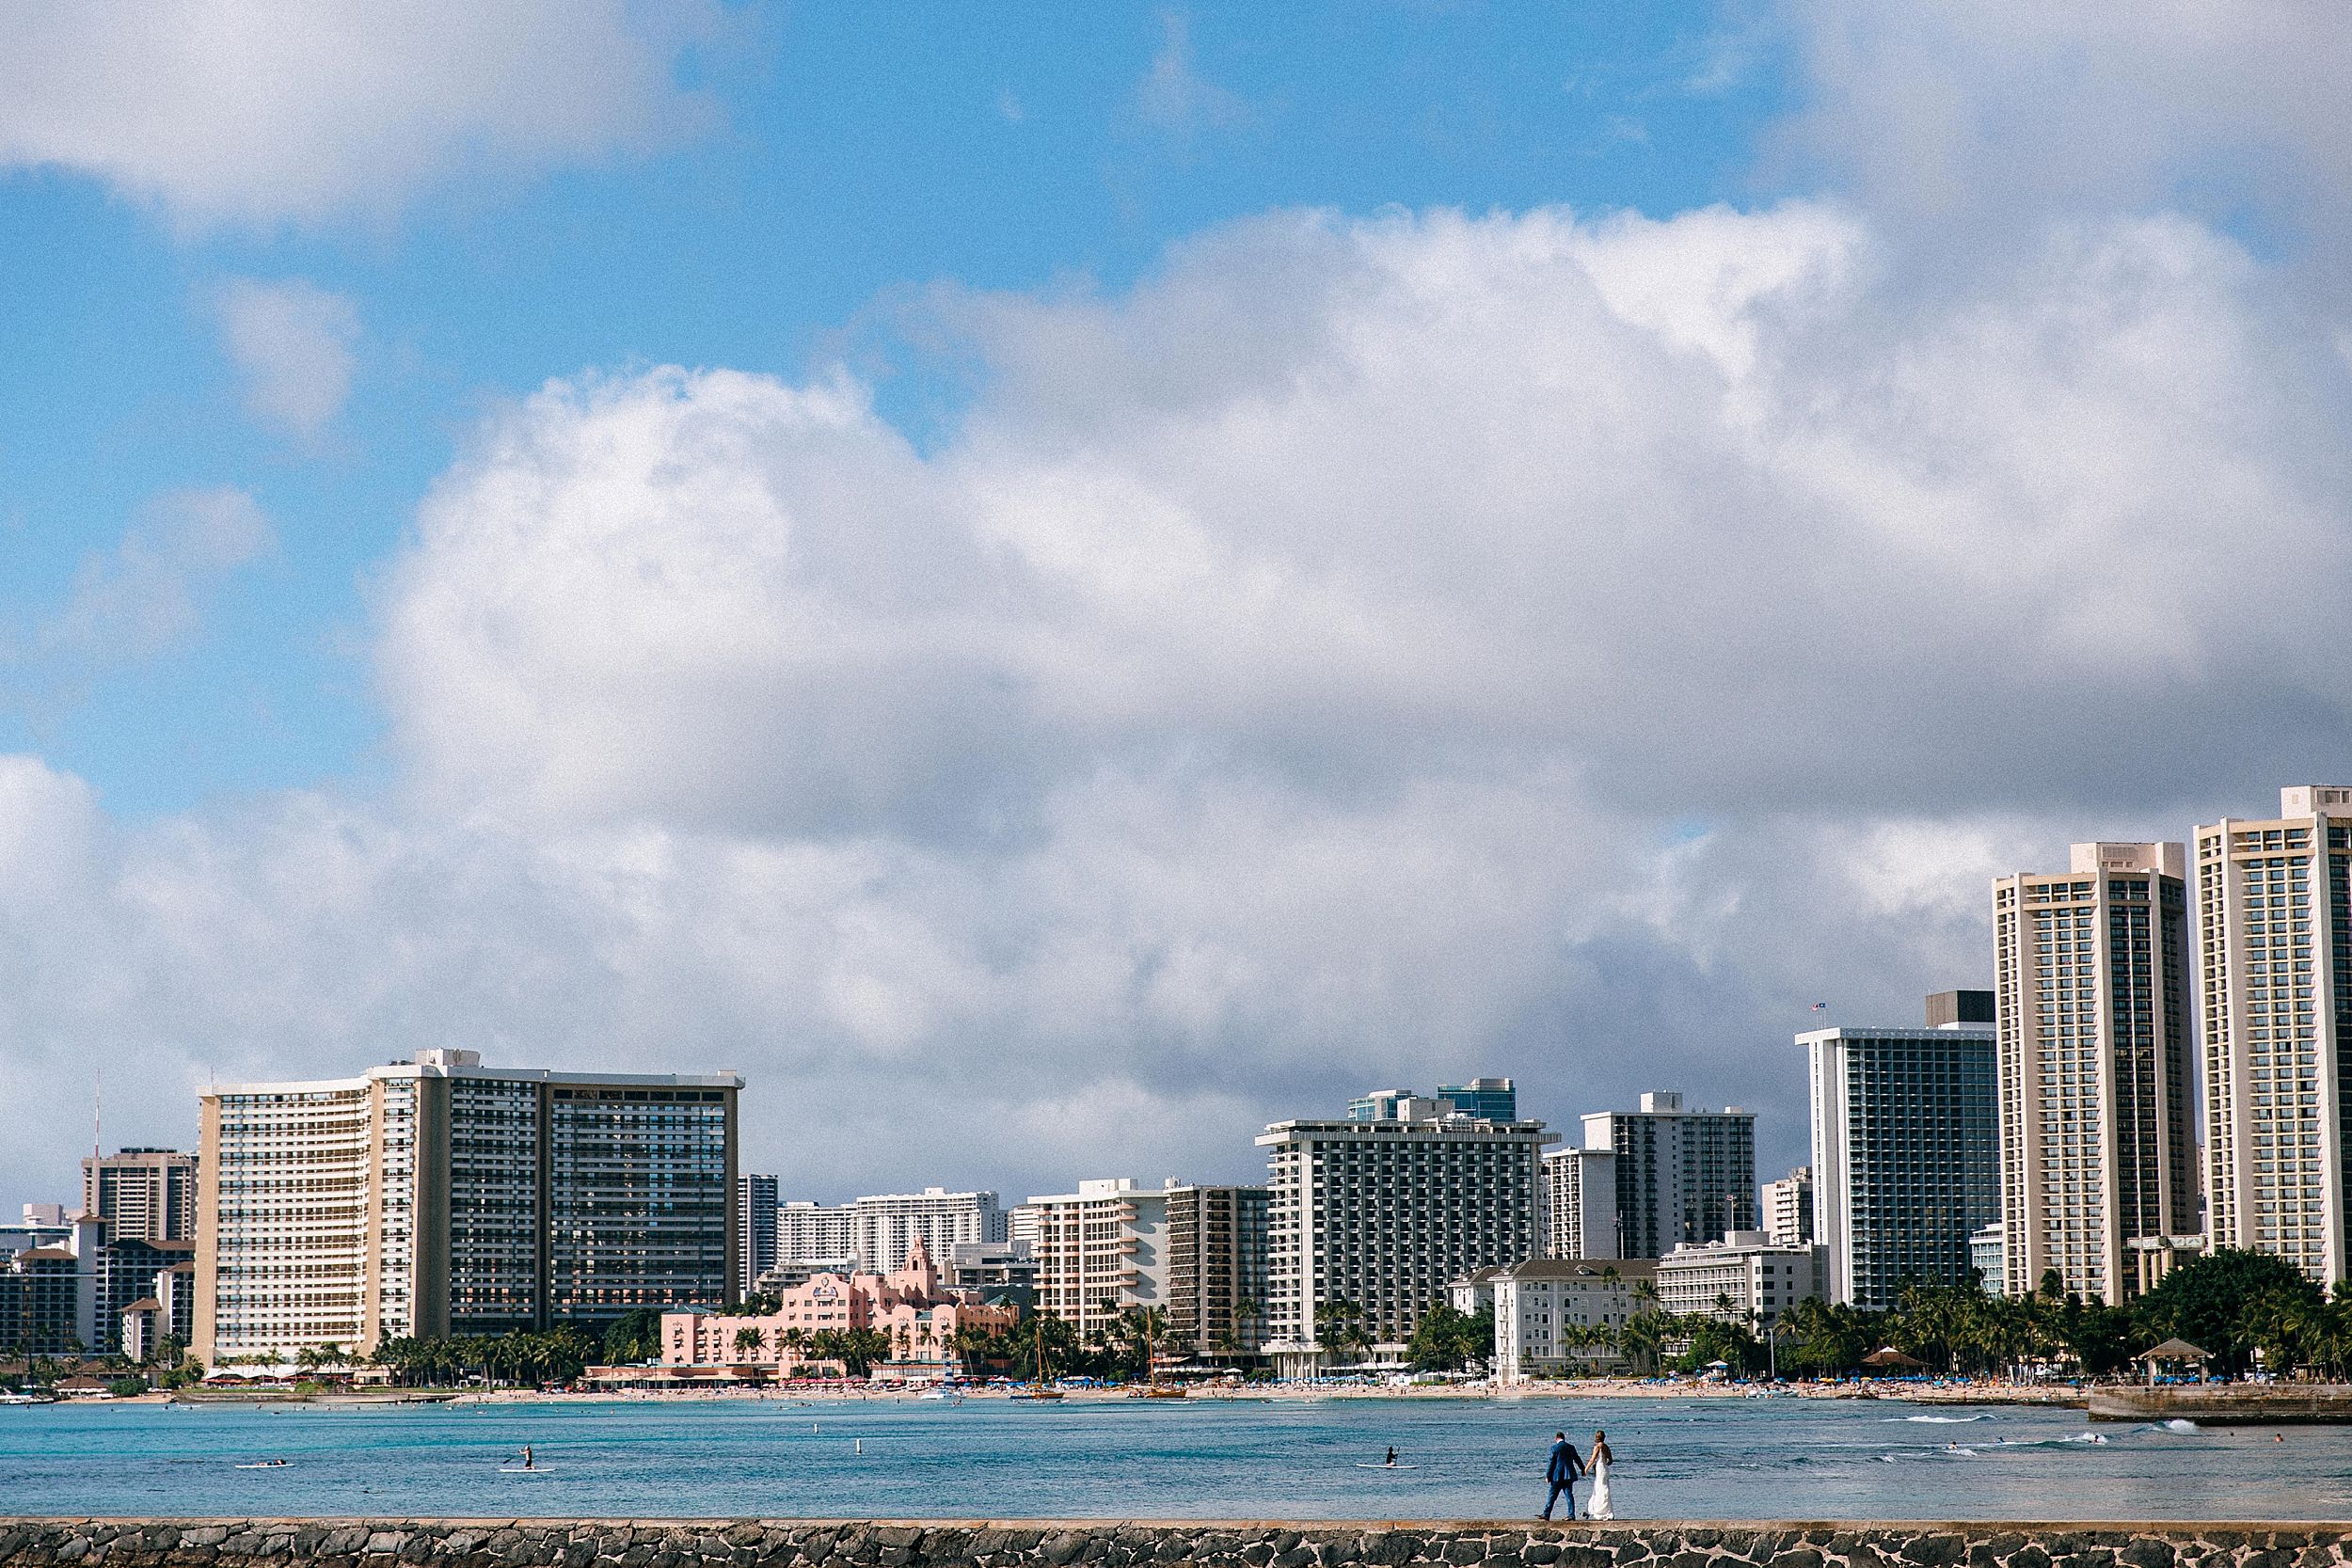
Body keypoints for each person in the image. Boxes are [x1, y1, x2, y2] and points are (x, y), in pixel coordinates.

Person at [1541, 1431, 1584, 1520]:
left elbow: (1551, 1463)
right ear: (1564, 1438)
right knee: (1569, 1495)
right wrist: (1582, 1469)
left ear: (1556, 1438)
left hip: (1557, 1476)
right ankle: (1571, 1515)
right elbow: (1577, 1459)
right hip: (1568, 1475)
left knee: (1552, 1495)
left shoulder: (1554, 1448)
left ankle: (1546, 1514)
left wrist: (1548, 1475)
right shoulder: (1571, 1447)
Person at [1586, 1432, 1615, 1520]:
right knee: (1604, 1487)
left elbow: (1592, 1459)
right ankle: (1607, 1510)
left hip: (1600, 1467)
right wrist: (1604, 1462)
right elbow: (1610, 1461)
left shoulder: (1597, 1447)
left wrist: (1585, 1469)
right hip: (1605, 1468)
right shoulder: (1606, 1447)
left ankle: (1600, 1511)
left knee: (1599, 1488)